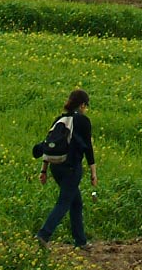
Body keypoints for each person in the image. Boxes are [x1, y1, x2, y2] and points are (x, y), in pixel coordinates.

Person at [33, 89, 97, 247]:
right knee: (64, 202)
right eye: (86, 105)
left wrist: (43, 170)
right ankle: (43, 234)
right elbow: (88, 149)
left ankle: (80, 241)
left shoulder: (59, 119)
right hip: (71, 168)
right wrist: (93, 173)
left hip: (56, 167)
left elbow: (49, 145)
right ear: (82, 105)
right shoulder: (83, 121)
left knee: (76, 203)